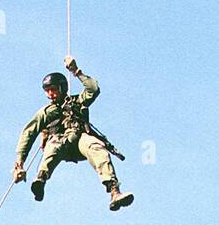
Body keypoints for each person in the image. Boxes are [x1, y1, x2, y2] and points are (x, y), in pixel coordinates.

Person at [12, 58, 134, 212]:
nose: (50, 94)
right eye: (47, 90)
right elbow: (28, 133)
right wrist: (19, 163)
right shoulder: (46, 113)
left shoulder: (77, 102)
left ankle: (114, 191)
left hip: (79, 140)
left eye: (53, 89)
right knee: (53, 146)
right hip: (61, 142)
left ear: (62, 88)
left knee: (96, 146)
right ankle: (41, 180)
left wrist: (76, 71)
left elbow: (93, 89)